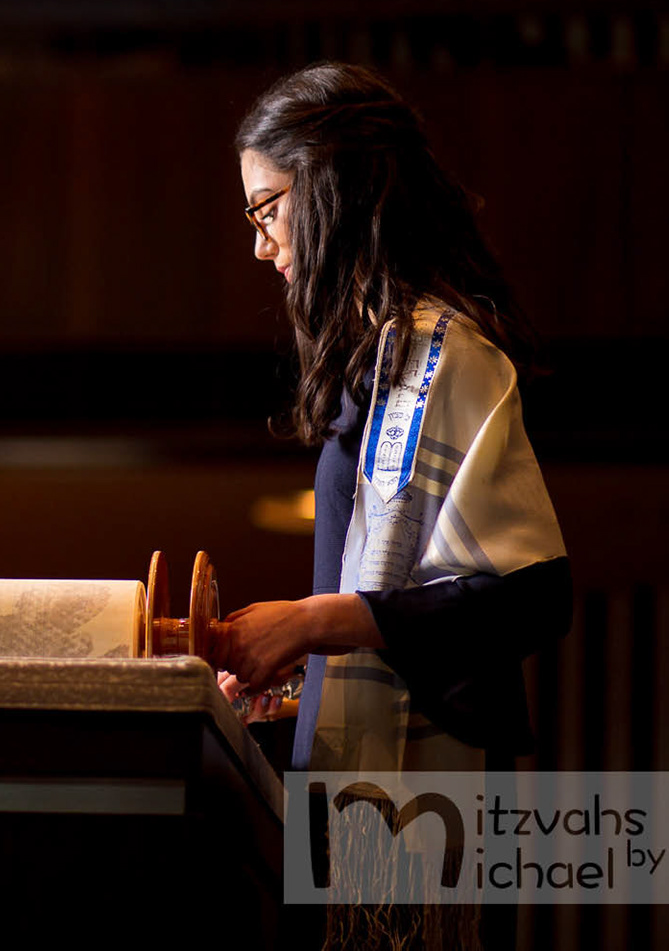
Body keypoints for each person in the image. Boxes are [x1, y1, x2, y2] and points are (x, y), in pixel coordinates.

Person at [211, 63, 570, 778]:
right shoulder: (378, 364)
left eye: (266, 209)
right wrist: (289, 687)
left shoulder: (446, 355)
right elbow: (396, 623)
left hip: (425, 809)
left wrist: (310, 621)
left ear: (328, 189)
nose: (260, 244)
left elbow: (531, 597)